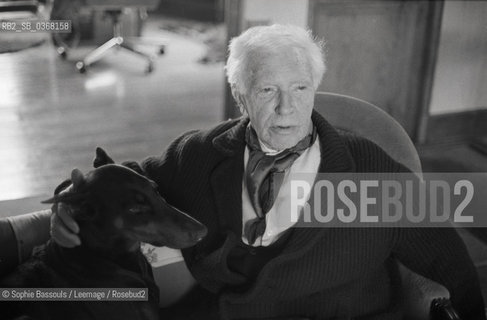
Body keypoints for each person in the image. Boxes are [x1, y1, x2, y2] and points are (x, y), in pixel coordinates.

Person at [2, 24, 486, 319]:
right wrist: (69, 194)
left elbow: (449, 259)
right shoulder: (200, 156)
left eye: (300, 89)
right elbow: (126, 177)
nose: (287, 110)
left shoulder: (371, 170)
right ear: (240, 98)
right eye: (267, 91)